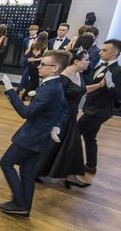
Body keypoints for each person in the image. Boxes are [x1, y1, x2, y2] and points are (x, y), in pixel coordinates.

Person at [0, 50, 70, 219]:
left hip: (32, 136)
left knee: (6, 163)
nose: (38, 66)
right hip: (41, 137)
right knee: (27, 173)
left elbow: (26, 112)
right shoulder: (54, 84)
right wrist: (56, 125)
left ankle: (18, 202)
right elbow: (64, 108)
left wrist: (10, 91)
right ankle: (24, 208)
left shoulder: (50, 88)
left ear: (55, 68)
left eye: (43, 64)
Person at [35, 48, 106, 187]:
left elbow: (81, 90)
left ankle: (70, 176)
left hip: (72, 116)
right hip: (61, 116)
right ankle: (35, 171)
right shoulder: (63, 77)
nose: (89, 62)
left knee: (70, 146)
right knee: (54, 145)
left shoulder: (78, 74)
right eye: (86, 59)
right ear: (76, 62)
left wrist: (99, 85)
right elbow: (54, 97)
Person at [77, 39, 121, 175]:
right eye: (101, 49)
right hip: (92, 107)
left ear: (115, 53)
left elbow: (118, 96)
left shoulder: (118, 71)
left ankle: (70, 164)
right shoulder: (100, 66)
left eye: (104, 50)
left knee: (74, 133)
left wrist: (111, 85)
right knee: (90, 137)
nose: (100, 52)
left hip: (99, 111)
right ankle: (91, 166)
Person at [20, 31, 48, 101]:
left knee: (33, 80)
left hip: (30, 64)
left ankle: (27, 94)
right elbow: (43, 57)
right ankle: (24, 93)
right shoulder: (44, 46)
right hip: (37, 65)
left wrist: (31, 58)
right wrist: (35, 59)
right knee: (34, 81)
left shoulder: (33, 44)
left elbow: (26, 52)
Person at [17, 24, 39, 93]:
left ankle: (19, 89)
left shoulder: (39, 39)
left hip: (34, 59)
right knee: (25, 75)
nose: (31, 31)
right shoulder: (26, 39)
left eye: (33, 30)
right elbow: (24, 50)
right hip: (26, 58)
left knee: (26, 75)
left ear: (37, 31)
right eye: (30, 30)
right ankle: (25, 89)